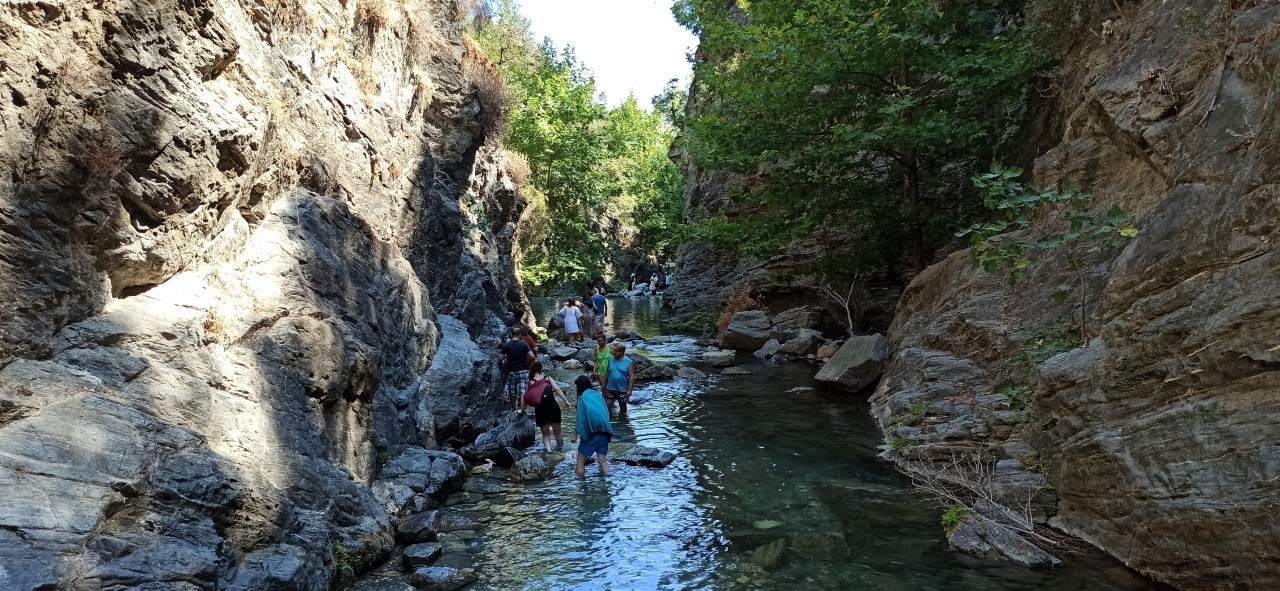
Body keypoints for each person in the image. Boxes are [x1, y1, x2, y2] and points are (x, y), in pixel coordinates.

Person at [520, 361, 572, 452]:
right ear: (541, 369)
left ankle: (549, 452)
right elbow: (557, 389)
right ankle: (560, 451)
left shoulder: (530, 382)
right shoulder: (547, 378)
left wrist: (522, 411)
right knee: (558, 432)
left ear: (531, 370)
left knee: (545, 434)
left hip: (540, 410)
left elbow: (525, 398)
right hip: (553, 407)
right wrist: (566, 401)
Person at [573, 375, 612, 476]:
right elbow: (605, 412)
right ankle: (608, 480)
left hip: (592, 432)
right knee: (603, 461)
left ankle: (580, 485)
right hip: (605, 431)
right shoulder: (597, 394)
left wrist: (575, 433)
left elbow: (581, 418)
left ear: (579, 387)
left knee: (580, 461)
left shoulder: (582, 398)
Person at [498, 329, 534, 411]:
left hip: (511, 371)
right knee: (523, 391)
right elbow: (532, 356)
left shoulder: (507, 345)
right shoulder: (524, 344)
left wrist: (506, 356)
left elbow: (500, 358)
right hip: (523, 370)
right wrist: (530, 363)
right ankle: (522, 410)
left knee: (512, 391)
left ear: (512, 334)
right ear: (520, 335)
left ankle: (514, 409)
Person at [604, 342, 634, 418]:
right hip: (610, 388)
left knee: (623, 407)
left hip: (623, 389)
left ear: (621, 352)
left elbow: (631, 376)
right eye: (612, 351)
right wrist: (604, 385)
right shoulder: (611, 359)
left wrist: (630, 390)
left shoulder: (629, 362)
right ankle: (608, 420)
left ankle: (623, 422)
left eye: (615, 351)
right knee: (607, 405)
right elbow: (607, 372)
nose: (613, 353)